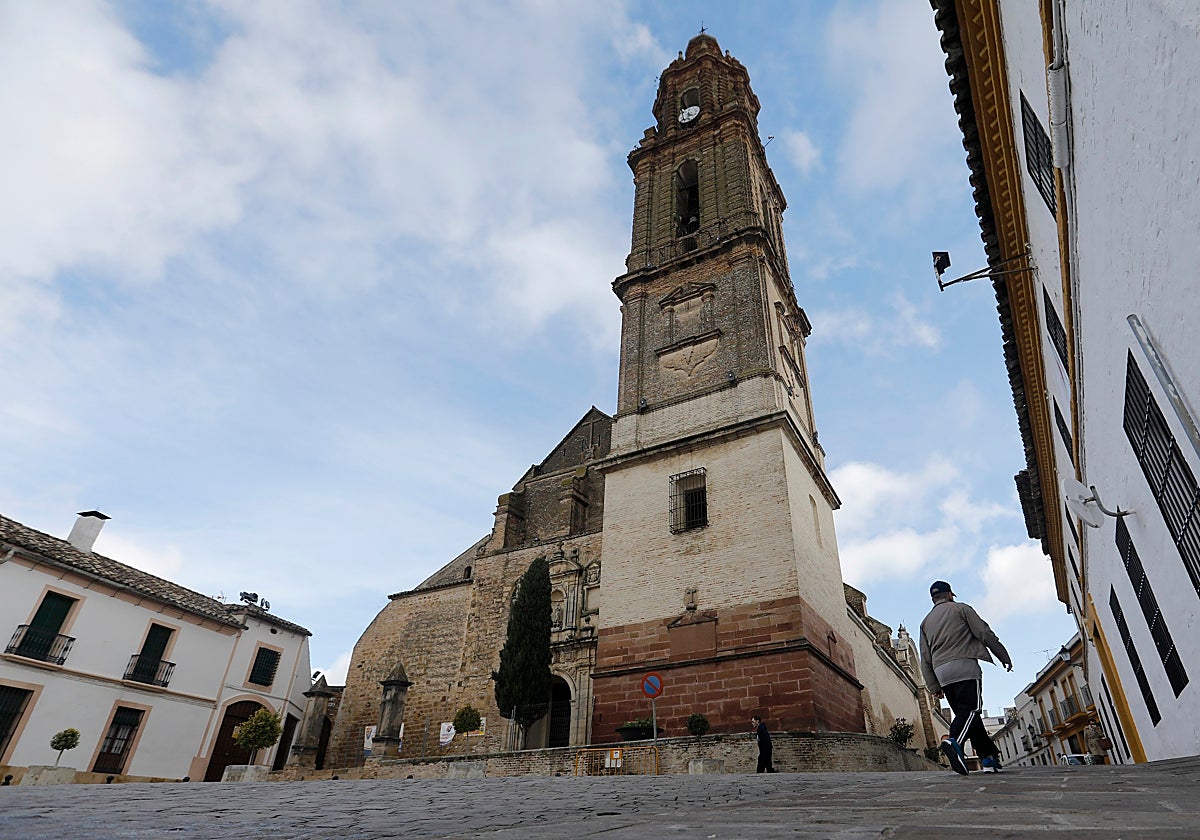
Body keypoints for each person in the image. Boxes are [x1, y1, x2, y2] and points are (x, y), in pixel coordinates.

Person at [919, 580, 1012, 776]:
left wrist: (934, 685)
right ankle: (954, 741)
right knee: (971, 709)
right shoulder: (961, 609)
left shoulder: (925, 622)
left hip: (942, 673)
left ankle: (989, 758)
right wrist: (1003, 656)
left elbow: (925, 657)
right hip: (964, 667)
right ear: (951, 594)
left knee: (969, 716)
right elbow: (983, 633)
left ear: (933, 598)